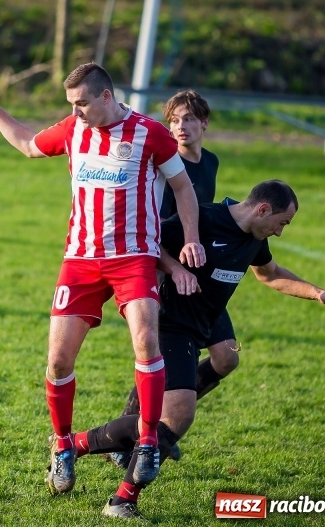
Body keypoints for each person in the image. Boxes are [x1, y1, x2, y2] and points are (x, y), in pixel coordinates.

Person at [0, 63, 206, 494]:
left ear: (105, 97)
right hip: (80, 261)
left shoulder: (149, 134)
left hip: (134, 259)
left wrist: (190, 238)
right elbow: (27, 144)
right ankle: (62, 446)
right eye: (71, 105)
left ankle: (148, 443)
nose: (76, 112)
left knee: (146, 342)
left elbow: (183, 188)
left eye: (82, 103)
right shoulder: (72, 129)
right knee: (59, 361)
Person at [69, 180, 325, 519]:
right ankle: (114, 489)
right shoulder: (202, 220)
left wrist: (318, 293)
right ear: (263, 210)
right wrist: (176, 269)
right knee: (178, 415)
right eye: (282, 222)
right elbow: (146, 245)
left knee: (226, 357)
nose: (280, 232)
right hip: (173, 320)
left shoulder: (256, 237)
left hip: (209, 313)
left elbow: (270, 274)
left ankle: (147, 425)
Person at [120, 89, 239, 418]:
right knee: (155, 356)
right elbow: (153, 230)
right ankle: (132, 427)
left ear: (204, 123)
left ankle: (168, 408)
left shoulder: (211, 162)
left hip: (198, 270)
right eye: (173, 120)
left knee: (227, 357)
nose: (180, 126)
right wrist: (170, 270)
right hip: (166, 269)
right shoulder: (165, 166)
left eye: (188, 119)